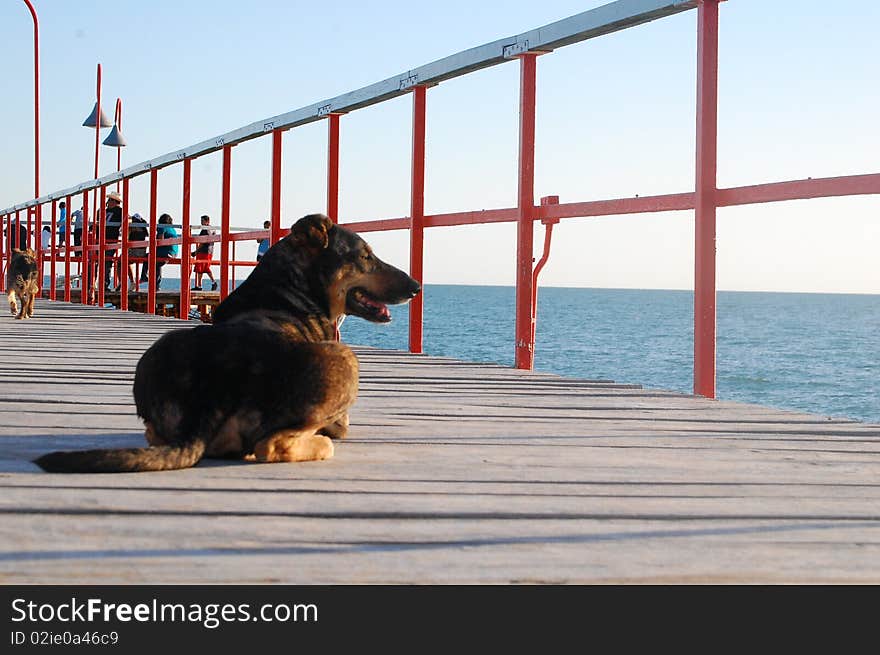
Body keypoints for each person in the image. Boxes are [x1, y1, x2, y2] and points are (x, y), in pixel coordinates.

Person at [101, 192, 123, 290]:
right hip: (101, 239)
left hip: (110, 239)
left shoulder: (120, 211)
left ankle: (104, 284)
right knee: (99, 261)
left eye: (110, 200)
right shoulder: (104, 211)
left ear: (115, 202)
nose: (107, 202)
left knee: (107, 261)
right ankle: (94, 283)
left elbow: (128, 219)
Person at [191, 214, 218, 291]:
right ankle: (207, 283)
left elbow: (202, 242)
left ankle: (205, 284)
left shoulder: (205, 230)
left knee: (201, 268)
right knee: (205, 268)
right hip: (210, 251)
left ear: (207, 221)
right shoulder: (213, 229)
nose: (201, 223)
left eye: (203, 221)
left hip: (203, 251)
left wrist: (195, 252)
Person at [154, 213, 178, 289]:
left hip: (166, 252)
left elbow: (160, 241)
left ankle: (144, 276)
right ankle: (156, 284)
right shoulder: (172, 229)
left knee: (148, 257)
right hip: (174, 252)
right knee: (157, 264)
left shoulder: (162, 227)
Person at [127, 212, 148, 288]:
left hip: (134, 252)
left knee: (122, 261)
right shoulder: (143, 230)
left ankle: (131, 281)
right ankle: (131, 282)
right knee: (124, 260)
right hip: (141, 253)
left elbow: (123, 230)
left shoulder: (134, 229)